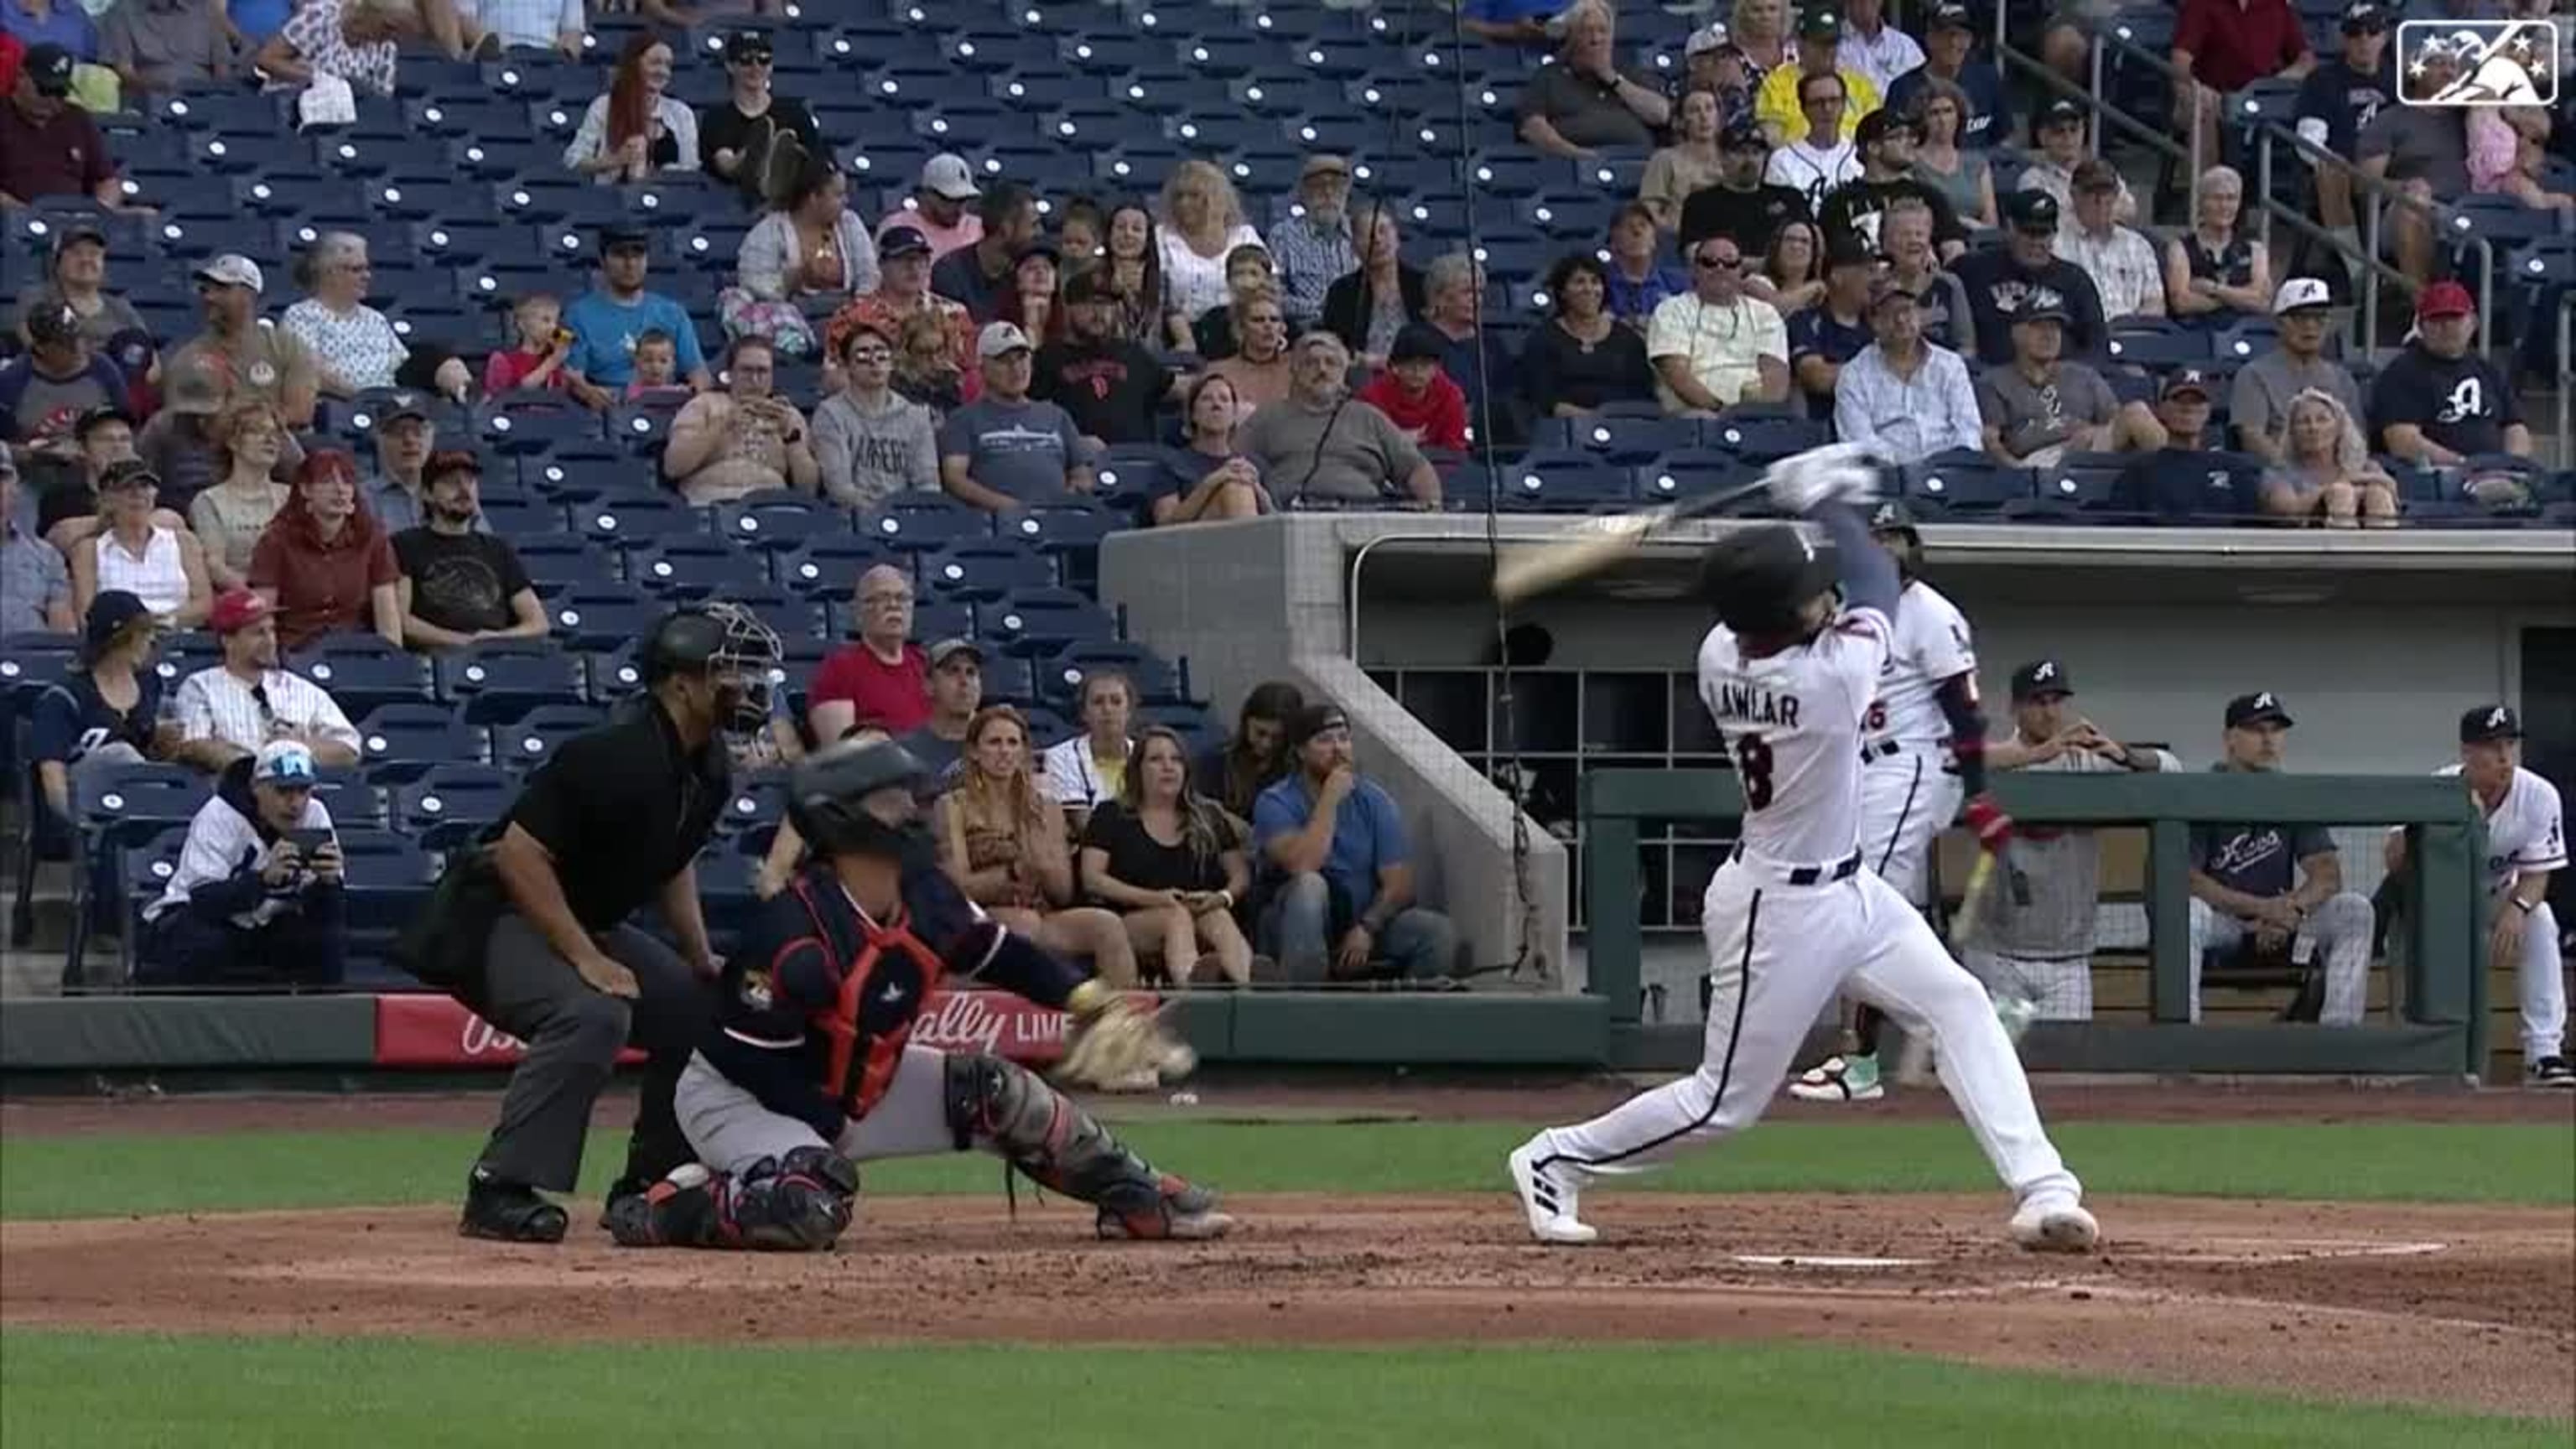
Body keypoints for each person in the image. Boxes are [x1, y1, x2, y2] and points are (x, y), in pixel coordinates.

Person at [1506, 446, 2095, 1252]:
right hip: (1779, 911)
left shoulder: (1719, 650)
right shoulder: (1828, 681)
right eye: (1811, 593)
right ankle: (1555, 1158)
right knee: (1723, 1106)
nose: (1827, 596)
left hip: (1851, 892)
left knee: (1956, 1004)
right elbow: (1880, 583)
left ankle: (2043, 1189)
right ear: (1787, 616)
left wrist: (1815, 512)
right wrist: (1830, 501)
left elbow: (1827, 579)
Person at [605, 737, 1232, 1251]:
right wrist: (828, 1133)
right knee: (810, 1203)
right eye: (892, 802)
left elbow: (1001, 953)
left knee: (998, 1092)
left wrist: (1087, 999)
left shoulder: (925, 893)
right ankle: (673, 1206)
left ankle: (1139, 1199)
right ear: (845, 821)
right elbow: (751, 1061)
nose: (913, 812)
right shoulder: (793, 934)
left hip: (853, 1088)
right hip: (737, 1099)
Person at [392, 603, 783, 1244]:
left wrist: (698, 955)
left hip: (578, 914)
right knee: (593, 1011)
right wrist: (585, 957)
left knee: (698, 1008)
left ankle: (650, 1184)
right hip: (493, 914)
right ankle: (500, 1187)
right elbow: (520, 855)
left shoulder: (706, 763)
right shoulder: (612, 755)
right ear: (681, 683)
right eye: (731, 673)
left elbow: (673, 858)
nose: (750, 687)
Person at [1786, 499, 1986, 1105]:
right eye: (1881, 540)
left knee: (1864, 911)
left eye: (1900, 539)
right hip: (1856, 770)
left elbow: (1965, 707)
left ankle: (1863, 1061)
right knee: (1852, 912)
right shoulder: (1848, 612)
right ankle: (1941, 1029)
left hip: (1908, 767)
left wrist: (1977, 793)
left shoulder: (1931, 614)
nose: (1892, 551)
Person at [1962, 660, 2174, 1022]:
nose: (2049, 712)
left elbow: (2172, 768)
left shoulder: (2087, 762)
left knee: (2070, 1071)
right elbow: (1949, 763)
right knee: (2001, 1067)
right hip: (1997, 955)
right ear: (2015, 707)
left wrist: (2122, 752)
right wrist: (2034, 755)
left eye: (2056, 701)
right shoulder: (1996, 762)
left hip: (2069, 960)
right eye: (2038, 701)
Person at [2386, 707, 2568, 1085]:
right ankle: (2424, 1052)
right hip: (2440, 905)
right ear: (2467, 752)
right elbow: (2395, 862)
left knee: (2541, 918)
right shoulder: (2439, 787)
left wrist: (2517, 909)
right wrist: (2441, 821)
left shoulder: (2537, 794)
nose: (2504, 757)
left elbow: (2538, 874)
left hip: (2497, 899)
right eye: (2492, 746)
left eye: (2509, 744)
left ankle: (2544, 1052)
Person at [2185, 692, 2374, 1026]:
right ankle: (2182, 1040)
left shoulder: (2292, 792)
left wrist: (2292, 910)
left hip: (2284, 925)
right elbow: (2189, 879)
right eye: (2256, 729)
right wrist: (2261, 908)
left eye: (2276, 729)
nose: (2268, 739)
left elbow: (2327, 874)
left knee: (2355, 909)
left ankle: (2340, 1040)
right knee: (2187, 913)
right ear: (2229, 738)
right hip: (2224, 927)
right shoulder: (2202, 790)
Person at [1252, 704, 1459, 984]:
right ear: (1300, 752)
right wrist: (1330, 799)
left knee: (1437, 931)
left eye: (1343, 738)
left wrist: (1367, 927)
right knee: (1310, 886)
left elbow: (1400, 885)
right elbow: (1305, 864)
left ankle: (1407, 1020)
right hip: (1293, 929)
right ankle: (1303, 1008)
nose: (1338, 748)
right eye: (1324, 740)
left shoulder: (1375, 800)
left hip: (1360, 924)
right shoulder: (1275, 801)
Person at [937, 704, 1142, 987]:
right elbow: (956, 888)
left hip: (1042, 914)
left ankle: (1124, 1021)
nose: (1005, 751)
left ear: (1023, 751)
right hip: (983, 919)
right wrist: (1013, 872)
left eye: (1013, 743)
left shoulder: (1047, 808)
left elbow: (1062, 893)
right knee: (1023, 925)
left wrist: (1047, 867)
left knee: (1106, 925)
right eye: (994, 742)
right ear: (974, 751)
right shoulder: (953, 806)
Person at [137, 739, 345, 988]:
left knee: (328, 938)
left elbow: (328, 911)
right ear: (257, 787)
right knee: (209, 941)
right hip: (190, 917)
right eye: (283, 791)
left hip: (265, 923)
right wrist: (262, 879)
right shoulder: (219, 814)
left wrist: (329, 884)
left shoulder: (315, 814)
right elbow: (204, 899)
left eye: (303, 790)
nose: (295, 803)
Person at [1080, 727, 1256, 989]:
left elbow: (1240, 875)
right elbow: (1092, 879)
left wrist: (1221, 897)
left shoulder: (1208, 815)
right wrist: (1154, 898)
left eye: (1176, 760)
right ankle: (1193, 992)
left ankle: (1249, 989)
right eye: (1156, 759)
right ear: (1137, 769)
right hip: (1129, 922)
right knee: (1175, 916)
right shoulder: (1111, 815)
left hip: (1199, 913)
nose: (1168, 767)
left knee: (1217, 916)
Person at [1234, 332, 1442, 509]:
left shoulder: (1369, 418)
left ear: (1343, 373)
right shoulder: (1268, 417)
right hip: (1290, 518)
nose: (1322, 370)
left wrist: (1433, 519)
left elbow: (1418, 470)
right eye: (1311, 363)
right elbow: (1231, 463)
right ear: (1295, 370)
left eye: (1331, 363)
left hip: (1363, 517)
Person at [169, 589, 361, 771]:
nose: (270, 640)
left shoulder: (300, 688)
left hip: (297, 794)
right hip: (231, 797)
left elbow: (350, 749)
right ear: (227, 640)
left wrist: (298, 748)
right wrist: (264, 764)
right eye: (258, 633)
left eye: (272, 631)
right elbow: (194, 745)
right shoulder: (200, 686)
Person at [29, 589, 170, 839]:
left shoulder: (151, 683)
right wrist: (75, 827)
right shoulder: (64, 696)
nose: (152, 640)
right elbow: (53, 777)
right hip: (84, 807)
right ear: (118, 639)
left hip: (135, 807)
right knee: (119, 754)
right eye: (143, 633)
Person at [723, 155, 880, 359]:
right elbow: (752, 282)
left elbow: (869, 274)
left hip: (847, 313)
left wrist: (858, 308)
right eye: (838, 195)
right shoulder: (770, 230)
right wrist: (789, 281)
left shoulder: (850, 222)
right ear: (814, 197)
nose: (846, 201)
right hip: (795, 315)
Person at [393, 452, 548, 650]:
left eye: (470, 481)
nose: (464, 489)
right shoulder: (405, 544)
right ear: (427, 494)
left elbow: (538, 623)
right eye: (451, 482)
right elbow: (401, 621)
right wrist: (465, 642)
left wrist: (495, 640)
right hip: (438, 660)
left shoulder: (498, 549)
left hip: (498, 656)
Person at [247, 449, 399, 650]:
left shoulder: (372, 539)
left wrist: (393, 663)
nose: (340, 490)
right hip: (295, 651)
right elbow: (262, 616)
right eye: (327, 481)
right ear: (305, 490)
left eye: (346, 482)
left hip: (355, 650)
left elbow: (388, 621)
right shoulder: (276, 541)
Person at [2367, 281, 2532, 463]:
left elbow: (2516, 426)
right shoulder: (2401, 373)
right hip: (2435, 477)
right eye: (2435, 320)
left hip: (2496, 475)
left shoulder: (2488, 370)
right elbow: (2403, 442)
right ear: (2421, 327)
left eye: (2455, 318)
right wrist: (2463, 465)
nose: (2446, 326)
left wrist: (2511, 465)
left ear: (2473, 323)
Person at [937, 323, 1093, 512]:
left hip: (1059, 521)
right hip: (995, 526)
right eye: (1004, 360)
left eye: (1022, 358)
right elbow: (955, 480)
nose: (1017, 368)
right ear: (982, 368)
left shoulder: (1056, 416)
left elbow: (1081, 474)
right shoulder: (963, 419)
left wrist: (1062, 506)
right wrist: (1013, 508)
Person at [1831, 278, 1982, 463]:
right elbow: (1860, 445)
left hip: (1951, 474)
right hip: (1890, 481)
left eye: (1907, 310)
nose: (1901, 319)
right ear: (1874, 322)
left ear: (1919, 314)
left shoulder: (1950, 365)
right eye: (1890, 313)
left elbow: (1969, 430)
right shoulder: (1854, 375)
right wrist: (1909, 475)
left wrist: (1950, 466)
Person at [1950, 192, 2111, 366]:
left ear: (2055, 233)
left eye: (2043, 233)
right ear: (2010, 228)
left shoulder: (2075, 280)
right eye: (2029, 232)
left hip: (2061, 382)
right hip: (1992, 381)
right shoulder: (1973, 270)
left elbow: (2097, 347)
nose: (2037, 242)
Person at [562, 226, 713, 406]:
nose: (630, 264)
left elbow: (698, 374)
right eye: (619, 255)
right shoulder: (578, 315)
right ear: (603, 261)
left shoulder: (673, 313)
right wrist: (589, 394)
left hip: (666, 405)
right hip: (606, 407)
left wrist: (694, 397)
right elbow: (573, 377)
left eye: (638, 255)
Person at [1646, 233, 1791, 417]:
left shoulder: (1765, 313)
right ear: (1694, 270)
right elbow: (1676, 374)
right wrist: (1723, 411)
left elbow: (1775, 372)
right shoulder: (1671, 310)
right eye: (1709, 262)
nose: (1720, 268)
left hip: (1754, 412)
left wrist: (1761, 413)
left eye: (1730, 263)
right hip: (1695, 411)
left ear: (1740, 271)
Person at [662, 336, 818, 506]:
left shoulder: (787, 415)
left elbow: (808, 489)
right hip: (711, 504)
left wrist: (792, 438)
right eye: (747, 370)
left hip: (771, 508)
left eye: (763, 371)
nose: (755, 380)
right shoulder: (703, 405)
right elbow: (673, 466)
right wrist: (722, 424)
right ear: (730, 373)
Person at [169, 255, 320, 429]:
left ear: (249, 295)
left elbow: (300, 413)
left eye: (222, 288)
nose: (210, 297)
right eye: (205, 290)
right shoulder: (188, 357)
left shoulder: (288, 347)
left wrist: (250, 426)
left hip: (275, 446)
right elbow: (182, 421)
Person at [822, 226, 975, 395]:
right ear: (881, 264)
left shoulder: (954, 313)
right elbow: (834, 379)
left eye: (921, 259)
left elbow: (972, 372)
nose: (913, 267)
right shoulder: (851, 317)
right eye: (903, 259)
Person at [1033, 269, 1175, 449]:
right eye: (1090, 303)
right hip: (1075, 463)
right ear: (1068, 307)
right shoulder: (1047, 358)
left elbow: (1177, 389)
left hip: (1136, 463)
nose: (1099, 313)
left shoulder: (1133, 353)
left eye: (1106, 305)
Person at [2231, 278, 2365, 462]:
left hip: (2338, 473)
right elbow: (2252, 438)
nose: (2310, 326)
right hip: (2281, 475)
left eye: (2319, 318)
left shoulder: (2342, 378)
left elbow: (2356, 439)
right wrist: (2297, 474)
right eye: (2300, 318)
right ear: (2279, 323)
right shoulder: (2253, 375)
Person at [1514, 0, 1670, 159]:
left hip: (1639, 165)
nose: (1596, 39)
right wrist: (1581, 156)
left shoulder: (1627, 72)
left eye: (1603, 31)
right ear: (1572, 38)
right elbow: (1533, 128)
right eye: (1587, 31)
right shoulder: (1548, 76)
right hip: (1576, 168)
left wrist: (1611, 77)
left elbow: (1661, 114)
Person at [812, 321, 938, 511]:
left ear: (892, 363)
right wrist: (882, 516)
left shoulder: (916, 416)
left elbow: (928, 483)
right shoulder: (830, 414)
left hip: (909, 516)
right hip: (852, 520)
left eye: (882, 354)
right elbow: (839, 488)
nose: (874, 362)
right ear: (847, 366)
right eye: (862, 355)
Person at [72, 461, 210, 626]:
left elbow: (204, 604)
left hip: (176, 639)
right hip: (118, 641)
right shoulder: (89, 550)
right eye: (126, 488)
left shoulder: (184, 542)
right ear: (108, 498)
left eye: (145, 487)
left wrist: (161, 621)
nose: (137, 494)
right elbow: (86, 612)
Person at [1815, 109, 1966, 259]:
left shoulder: (1929, 196)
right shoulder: (1838, 202)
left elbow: (1954, 249)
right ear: (1873, 147)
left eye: (1911, 135)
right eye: (1899, 136)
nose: (1911, 142)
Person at [1519, 253, 1656, 418]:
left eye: (1595, 282)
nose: (1589, 289)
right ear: (1562, 292)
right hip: (1565, 427)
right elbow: (1544, 398)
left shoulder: (1627, 339)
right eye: (1579, 282)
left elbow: (1643, 393)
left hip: (1625, 425)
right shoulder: (1543, 338)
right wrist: (1592, 420)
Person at [697, 27, 818, 207]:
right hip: (733, 197)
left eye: (763, 60)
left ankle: (773, 168)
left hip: (789, 202)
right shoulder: (717, 116)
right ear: (730, 66)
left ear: (771, 66)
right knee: (731, 163)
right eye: (746, 60)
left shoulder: (794, 112)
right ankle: (756, 160)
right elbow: (723, 163)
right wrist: (750, 153)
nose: (755, 67)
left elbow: (817, 156)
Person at [808, 563, 928, 741]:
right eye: (882, 598)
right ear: (859, 612)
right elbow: (840, 752)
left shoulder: (927, 664)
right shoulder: (840, 670)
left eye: (902, 598)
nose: (894, 606)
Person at [280, 232, 406, 400]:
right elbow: (309, 369)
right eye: (356, 269)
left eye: (367, 269)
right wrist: (364, 398)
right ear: (329, 272)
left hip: (388, 409)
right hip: (336, 410)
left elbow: (402, 367)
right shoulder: (301, 316)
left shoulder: (376, 319)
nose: (367, 276)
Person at [563, 31, 698, 185]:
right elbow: (573, 160)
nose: (662, 71)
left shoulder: (681, 113)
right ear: (634, 64)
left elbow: (690, 170)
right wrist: (615, 161)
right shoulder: (604, 106)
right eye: (655, 63)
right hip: (613, 200)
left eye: (668, 65)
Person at [2261, 386, 2399, 527]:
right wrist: (2335, 486)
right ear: (2292, 432)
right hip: (2308, 542)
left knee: (2378, 493)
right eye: (2303, 421)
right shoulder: (2280, 473)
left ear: (2339, 427)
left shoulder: (2366, 467)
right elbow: (2289, 512)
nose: (2313, 427)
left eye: (2322, 419)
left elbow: (2392, 489)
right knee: (2341, 493)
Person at [186, 402, 289, 590]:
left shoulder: (291, 497)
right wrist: (258, 594)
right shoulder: (209, 501)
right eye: (257, 431)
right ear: (233, 442)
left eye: (275, 433)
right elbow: (215, 566)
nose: (270, 440)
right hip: (240, 599)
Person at [1885, 3, 2013, 150]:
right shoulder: (1903, 88)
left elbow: (2004, 139)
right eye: (1946, 35)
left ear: (1970, 40)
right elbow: (1894, 147)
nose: (1953, 43)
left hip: (1980, 168)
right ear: (1930, 39)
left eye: (1962, 36)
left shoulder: (1988, 79)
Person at [1678, 117, 1811, 257]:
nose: (1750, 160)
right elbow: (1694, 257)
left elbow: (1810, 249)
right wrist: (1764, 265)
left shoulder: (1790, 199)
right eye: (1741, 152)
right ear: (1722, 156)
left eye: (1756, 152)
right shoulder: (1701, 203)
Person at [2055, 161, 2167, 323]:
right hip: (2084, 336)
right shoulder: (2058, 245)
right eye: (2092, 195)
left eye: (2108, 195)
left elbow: (2155, 303)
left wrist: (2132, 325)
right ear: (2074, 195)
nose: (2101, 203)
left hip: (2134, 334)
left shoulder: (2138, 245)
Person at [1753, 7, 1882, 146]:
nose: (1827, 50)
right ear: (1800, 44)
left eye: (1832, 43)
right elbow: (1772, 139)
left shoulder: (1860, 84)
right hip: (1797, 163)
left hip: (1853, 163)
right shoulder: (1777, 84)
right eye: (1819, 43)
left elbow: (1876, 134)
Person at [1156, 163, 1265, 326]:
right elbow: (1158, 297)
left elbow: (1268, 289)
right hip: (1178, 331)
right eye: (1179, 196)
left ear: (1216, 199)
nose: (1184, 203)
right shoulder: (1162, 236)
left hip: (1238, 329)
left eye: (1194, 196)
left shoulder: (1244, 235)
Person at [1154, 373, 1270, 526]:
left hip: (1251, 535)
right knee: (1234, 490)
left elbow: (1279, 520)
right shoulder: (1172, 464)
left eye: (1224, 399)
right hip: (1192, 543)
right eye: (1207, 399)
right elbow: (1164, 522)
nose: (1216, 405)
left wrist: (1256, 488)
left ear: (1234, 414)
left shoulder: (1253, 464)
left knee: (1240, 488)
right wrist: (1213, 482)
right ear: (1193, 413)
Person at [11, 224, 146, 353]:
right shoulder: (37, 298)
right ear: (57, 264)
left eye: (94, 253)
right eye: (76, 253)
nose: (86, 259)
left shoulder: (121, 308)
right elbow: (36, 347)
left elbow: (151, 364)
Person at [2162, 166, 2272, 325]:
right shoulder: (2180, 249)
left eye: (2231, 198)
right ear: (2202, 202)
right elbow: (2182, 302)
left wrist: (2213, 289)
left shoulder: (2256, 250)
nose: (2224, 206)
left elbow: (2261, 301)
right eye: (2217, 198)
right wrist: (2241, 298)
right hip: (2195, 332)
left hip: (2244, 332)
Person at [1321, 206, 1425, 367]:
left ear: (1397, 237)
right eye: (1367, 235)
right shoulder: (1342, 291)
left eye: (1383, 231)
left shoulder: (1422, 284)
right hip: (1362, 373)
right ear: (1354, 246)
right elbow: (1333, 344)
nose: (1377, 240)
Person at [1786, 239, 1876, 420]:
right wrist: (1880, 374)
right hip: (1827, 430)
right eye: (1868, 271)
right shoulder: (1805, 321)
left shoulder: (1878, 325)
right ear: (1837, 276)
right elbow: (1816, 377)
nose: (1875, 279)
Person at [930, 182, 1041, 324]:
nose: (1039, 233)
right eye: (1033, 225)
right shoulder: (950, 272)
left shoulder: (1025, 273)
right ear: (1006, 229)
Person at [1042, 668, 1137, 833]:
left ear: (1128, 711)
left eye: (1116, 701)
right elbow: (1086, 828)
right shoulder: (1060, 757)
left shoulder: (1147, 755)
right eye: (1098, 702)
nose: (1107, 709)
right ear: (1084, 713)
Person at [1197, 681, 1303, 823]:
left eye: (1278, 737)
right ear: (1246, 723)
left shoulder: (1301, 770)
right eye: (1260, 733)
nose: (1267, 744)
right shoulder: (1214, 765)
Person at [1271, 155, 1358, 328]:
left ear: (1347, 191)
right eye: (1319, 186)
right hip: (1305, 330)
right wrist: (1323, 310)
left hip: (1356, 329)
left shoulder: (1362, 233)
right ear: (1303, 192)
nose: (1328, 193)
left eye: (1336, 185)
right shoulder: (1283, 235)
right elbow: (1274, 295)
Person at [1357, 324, 1471, 453]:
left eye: (1425, 364)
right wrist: (1398, 440)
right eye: (1409, 363)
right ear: (1394, 366)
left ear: (1436, 368)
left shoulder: (1452, 397)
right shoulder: (1370, 398)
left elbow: (1454, 451)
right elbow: (1363, 448)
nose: (1417, 371)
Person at [1, 447, 75, 637]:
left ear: (16, 487)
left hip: (31, 661)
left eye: (3, 478)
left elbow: (63, 636)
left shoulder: (46, 555)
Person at [1763, 71, 1862, 213]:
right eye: (1818, 103)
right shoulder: (1782, 160)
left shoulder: (1860, 156)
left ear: (1844, 105)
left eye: (1834, 100)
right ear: (1804, 109)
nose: (1827, 109)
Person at [1907, 78, 1997, 231]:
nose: (1942, 120)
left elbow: (1991, 222)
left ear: (1959, 116)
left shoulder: (1977, 163)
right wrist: (1960, 223)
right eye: (1934, 113)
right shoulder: (1911, 162)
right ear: (1923, 120)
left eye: (1948, 111)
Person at [1641, 88, 1727, 234]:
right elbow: (1649, 210)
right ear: (1680, 122)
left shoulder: (1732, 159)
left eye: (1709, 108)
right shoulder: (1665, 159)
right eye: (1694, 110)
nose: (1704, 116)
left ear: (1719, 117)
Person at [1098, 200, 1183, 350]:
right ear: (1109, 234)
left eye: (1136, 229)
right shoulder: (1091, 278)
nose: (1128, 234)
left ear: (1148, 238)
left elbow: (1186, 341)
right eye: (1120, 227)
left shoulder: (1162, 281)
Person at [1201, 288, 1294, 416]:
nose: (1268, 325)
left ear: (1282, 327)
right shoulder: (1218, 372)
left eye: (1274, 319)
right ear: (1241, 328)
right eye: (1258, 320)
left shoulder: (1297, 368)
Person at [896, 636, 981, 778]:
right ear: (929, 686)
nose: (964, 681)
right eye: (953, 671)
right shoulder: (904, 752)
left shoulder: (1003, 745)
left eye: (971, 672)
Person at [1603, 201, 1690, 327]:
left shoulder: (1678, 284)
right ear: (1613, 242)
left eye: (1643, 225)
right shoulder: (1600, 284)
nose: (1637, 232)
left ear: (1654, 240)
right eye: (1628, 227)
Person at [880, 153, 983, 260]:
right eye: (948, 199)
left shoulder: (979, 229)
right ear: (926, 194)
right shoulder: (897, 225)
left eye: (963, 200)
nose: (957, 208)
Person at [1189, 245, 1280, 361]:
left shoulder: (1282, 319)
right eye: (1239, 274)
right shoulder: (1213, 320)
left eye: (1254, 274)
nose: (1246, 281)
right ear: (1228, 280)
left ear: (1267, 280)